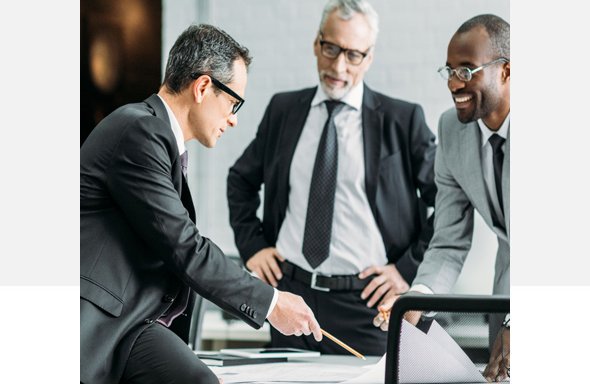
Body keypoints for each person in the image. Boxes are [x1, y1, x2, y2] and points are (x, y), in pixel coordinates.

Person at [80, 24, 322, 384]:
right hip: (97, 325)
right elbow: (185, 245)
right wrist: (271, 303)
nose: (234, 118)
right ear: (204, 87)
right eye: (233, 102)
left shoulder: (156, 137)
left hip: (133, 324)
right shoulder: (140, 132)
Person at [227, 0, 436, 356]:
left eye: (354, 55)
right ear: (316, 43)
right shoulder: (283, 110)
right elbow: (240, 181)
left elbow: (449, 202)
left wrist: (406, 268)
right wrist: (253, 247)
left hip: (369, 307)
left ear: (369, 58)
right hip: (292, 299)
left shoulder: (402, 121)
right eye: (331, 49)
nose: (339, 66)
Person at [372, 14, 510, 382]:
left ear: (506, 72)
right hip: (507, 289)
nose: (453, 83)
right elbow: (448, 241)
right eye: (448, 71)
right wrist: (415, 300)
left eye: (466, 71)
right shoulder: (451, 129)